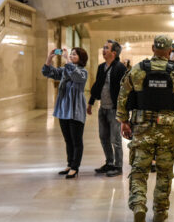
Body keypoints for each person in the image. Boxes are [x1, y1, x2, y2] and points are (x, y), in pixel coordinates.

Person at [116, 35, 174, 222]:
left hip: (142, 127)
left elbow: (123, 96)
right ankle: (160, 211)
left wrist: (124, 121)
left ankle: (138, 205)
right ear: (170, 51)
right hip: (168, 129)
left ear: (153, 48)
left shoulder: (137, 70)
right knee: (164, 172)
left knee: (139, 170)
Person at [42, 48, 88, 179]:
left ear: (81, 58)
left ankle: (75, 167)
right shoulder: (64, 71)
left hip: (76, 110)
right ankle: (69, 164)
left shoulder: (83, 72)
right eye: (71, 54)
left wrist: (67, 58)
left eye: (74, 54)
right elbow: (48, 72)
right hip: (63, 110)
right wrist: (49, 58)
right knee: (68, 139)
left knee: (76, 140)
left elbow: (75, 74)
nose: (71, 56)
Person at [87, 40, 127, 177]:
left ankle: (118, 166)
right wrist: (91, 102)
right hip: (102, 108)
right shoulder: (101, 67)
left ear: (114, 53)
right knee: (103, 137)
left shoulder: (121, 68)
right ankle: (109, 162)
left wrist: (124, 110)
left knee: (115, 139)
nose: (103, 50)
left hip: (115, 110)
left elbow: (125, 90)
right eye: (103, 47)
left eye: (106, 48)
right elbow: (97, 85)